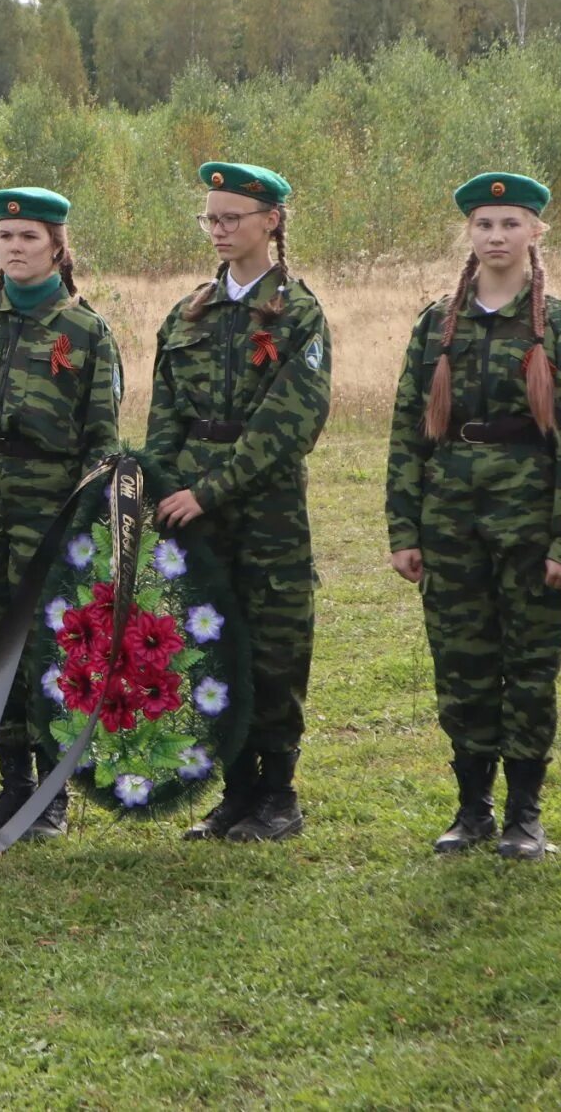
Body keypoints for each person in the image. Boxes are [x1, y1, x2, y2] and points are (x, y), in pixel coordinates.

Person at [386, 172, 561, 860]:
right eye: (484, 224)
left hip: (529, 519)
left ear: (535, 232)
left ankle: (524, 811)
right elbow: (406, 430)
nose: (496, 236)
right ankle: (472, 806)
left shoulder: (559, 325)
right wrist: (405, 527)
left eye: (510, 223)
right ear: (470, 234)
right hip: (451, 519)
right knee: (461, 661)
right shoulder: (436, 325)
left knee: (530, 664)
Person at [0, 188, 120, 839]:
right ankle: (13, 784)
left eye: (29, 237)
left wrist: (91, 523)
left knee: (47, 649)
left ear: (59, 247)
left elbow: (102, 442)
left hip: (50, 508)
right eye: (6, 238)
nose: (15, 248)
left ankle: (53, 795)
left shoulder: (86, 332)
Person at [146, 162, 330, 843]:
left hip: (266, 511)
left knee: (273, 651)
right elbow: (164, 413)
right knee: (209, 646)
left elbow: (290, 424)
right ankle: (235, 793)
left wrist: (209, 490)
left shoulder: (298, 313)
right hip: (191, 509)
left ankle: (277, 794)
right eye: (211, 218)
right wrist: (164, 487)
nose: (219, 230)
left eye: (232, 217)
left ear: (272, 221)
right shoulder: (189, 313)